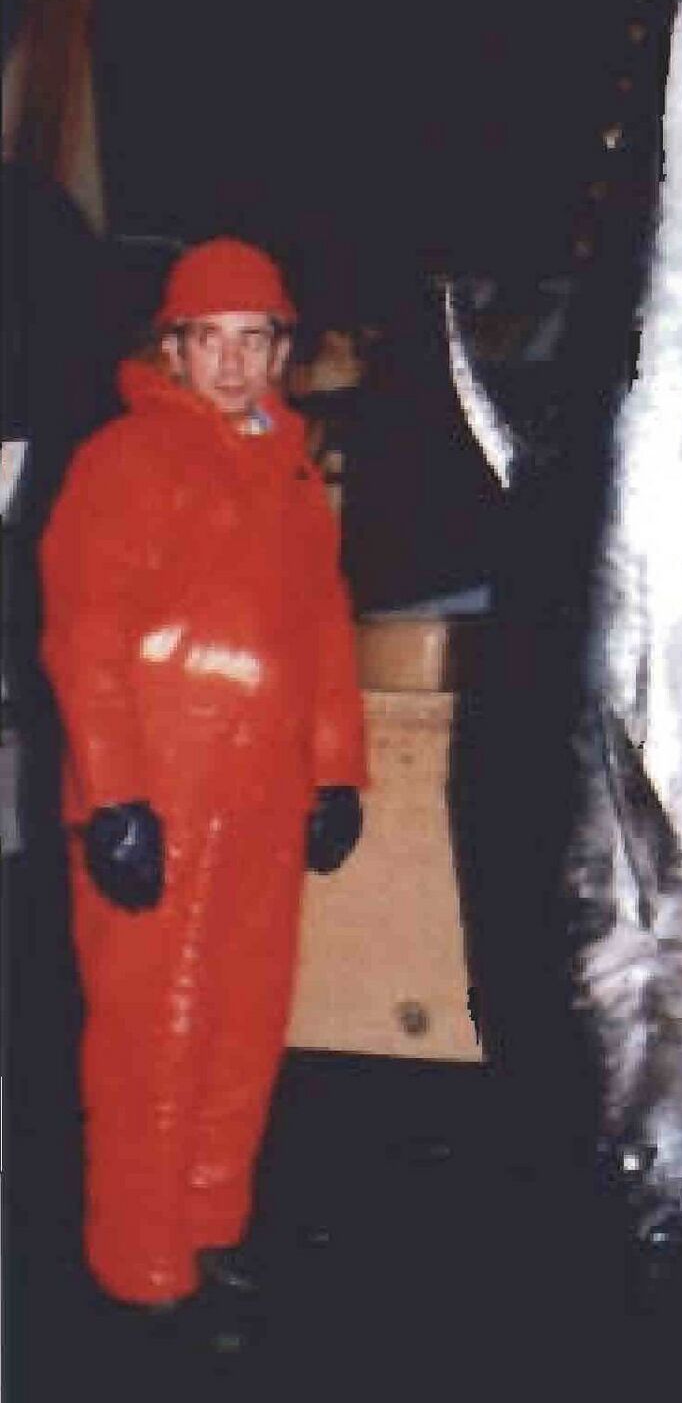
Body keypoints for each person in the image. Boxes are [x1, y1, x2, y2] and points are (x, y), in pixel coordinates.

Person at [40, 237, 367, 1312]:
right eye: (210, 339)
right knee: (152, 1032)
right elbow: (86, 637)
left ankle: (211, 1225)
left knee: (243, 1023)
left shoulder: (292, 469)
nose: (233, 362)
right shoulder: (124, 460)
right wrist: (115, 797)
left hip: (261, 798)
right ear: (172, 348)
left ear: (281, 350)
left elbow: (322, 631)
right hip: (162, 795)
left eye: (253, 339)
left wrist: (336, 771)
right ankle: (140, 1260)